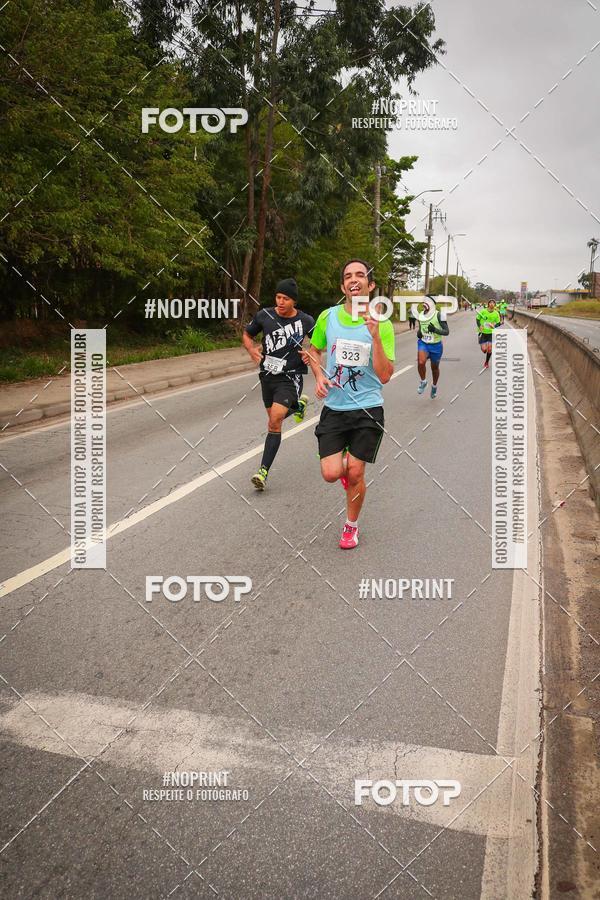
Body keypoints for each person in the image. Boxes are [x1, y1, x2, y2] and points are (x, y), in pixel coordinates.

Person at [303, 259, 395, 549]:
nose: (353, 279)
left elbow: (385, 375)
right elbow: (313, 351)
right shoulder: (328, 317)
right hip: (335, 408)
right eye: (347, 276)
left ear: (370, 284)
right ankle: (346, 470)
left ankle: (351, 526)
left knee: (355, 471)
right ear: (343, 287)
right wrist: (319, 376)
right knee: (331, 473)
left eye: (360, 275)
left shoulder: (382, 324)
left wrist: (375, 337)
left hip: (368, 408)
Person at [242, 278, 314, 490]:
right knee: (274, 421)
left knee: (275, 420)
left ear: (294, 301)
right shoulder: (265, 315)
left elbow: (320, 342)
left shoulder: (305, 320)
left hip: (291, 377)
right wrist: (251, 348)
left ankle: (263, 471)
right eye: (278, 297)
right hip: (267, 376)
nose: (280, 302)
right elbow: (247, 334)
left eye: (286, 299)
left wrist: (310, 352)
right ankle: (298, 406)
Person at [416, 297, 449, 398]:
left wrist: (435, 330)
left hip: (436, 345)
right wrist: (419, 333)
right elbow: (420, 329)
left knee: (434, 368)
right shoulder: (421, 315)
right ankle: (423, 381)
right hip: (423, 343)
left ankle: (434, 386)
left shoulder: (439, 315)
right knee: (421, 362)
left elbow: (446, 331)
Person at [476, 299, 501, 369]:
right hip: (482, 332)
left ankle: (486, 362)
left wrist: (494, 326)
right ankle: (483, 346)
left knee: (490, 349)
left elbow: (498, 323)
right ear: (488, 304)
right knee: (484, 350)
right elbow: (477, 319)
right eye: (490, 303)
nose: (492, 304)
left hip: (491, 333)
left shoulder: (496, 313)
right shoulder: (483, 311)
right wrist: (479, 326)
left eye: (493, 303)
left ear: (495, 305)